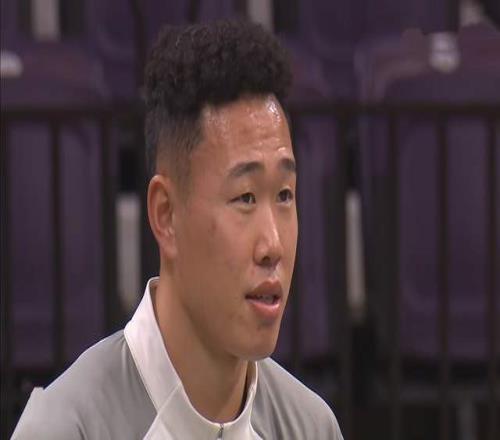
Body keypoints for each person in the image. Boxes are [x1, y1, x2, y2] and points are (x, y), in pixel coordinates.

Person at [12, 20, 343, 439]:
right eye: (245, 198)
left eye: (284, 195)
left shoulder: (311, 427)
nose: (273, 245)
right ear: (165, 215)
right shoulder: (66, 428)